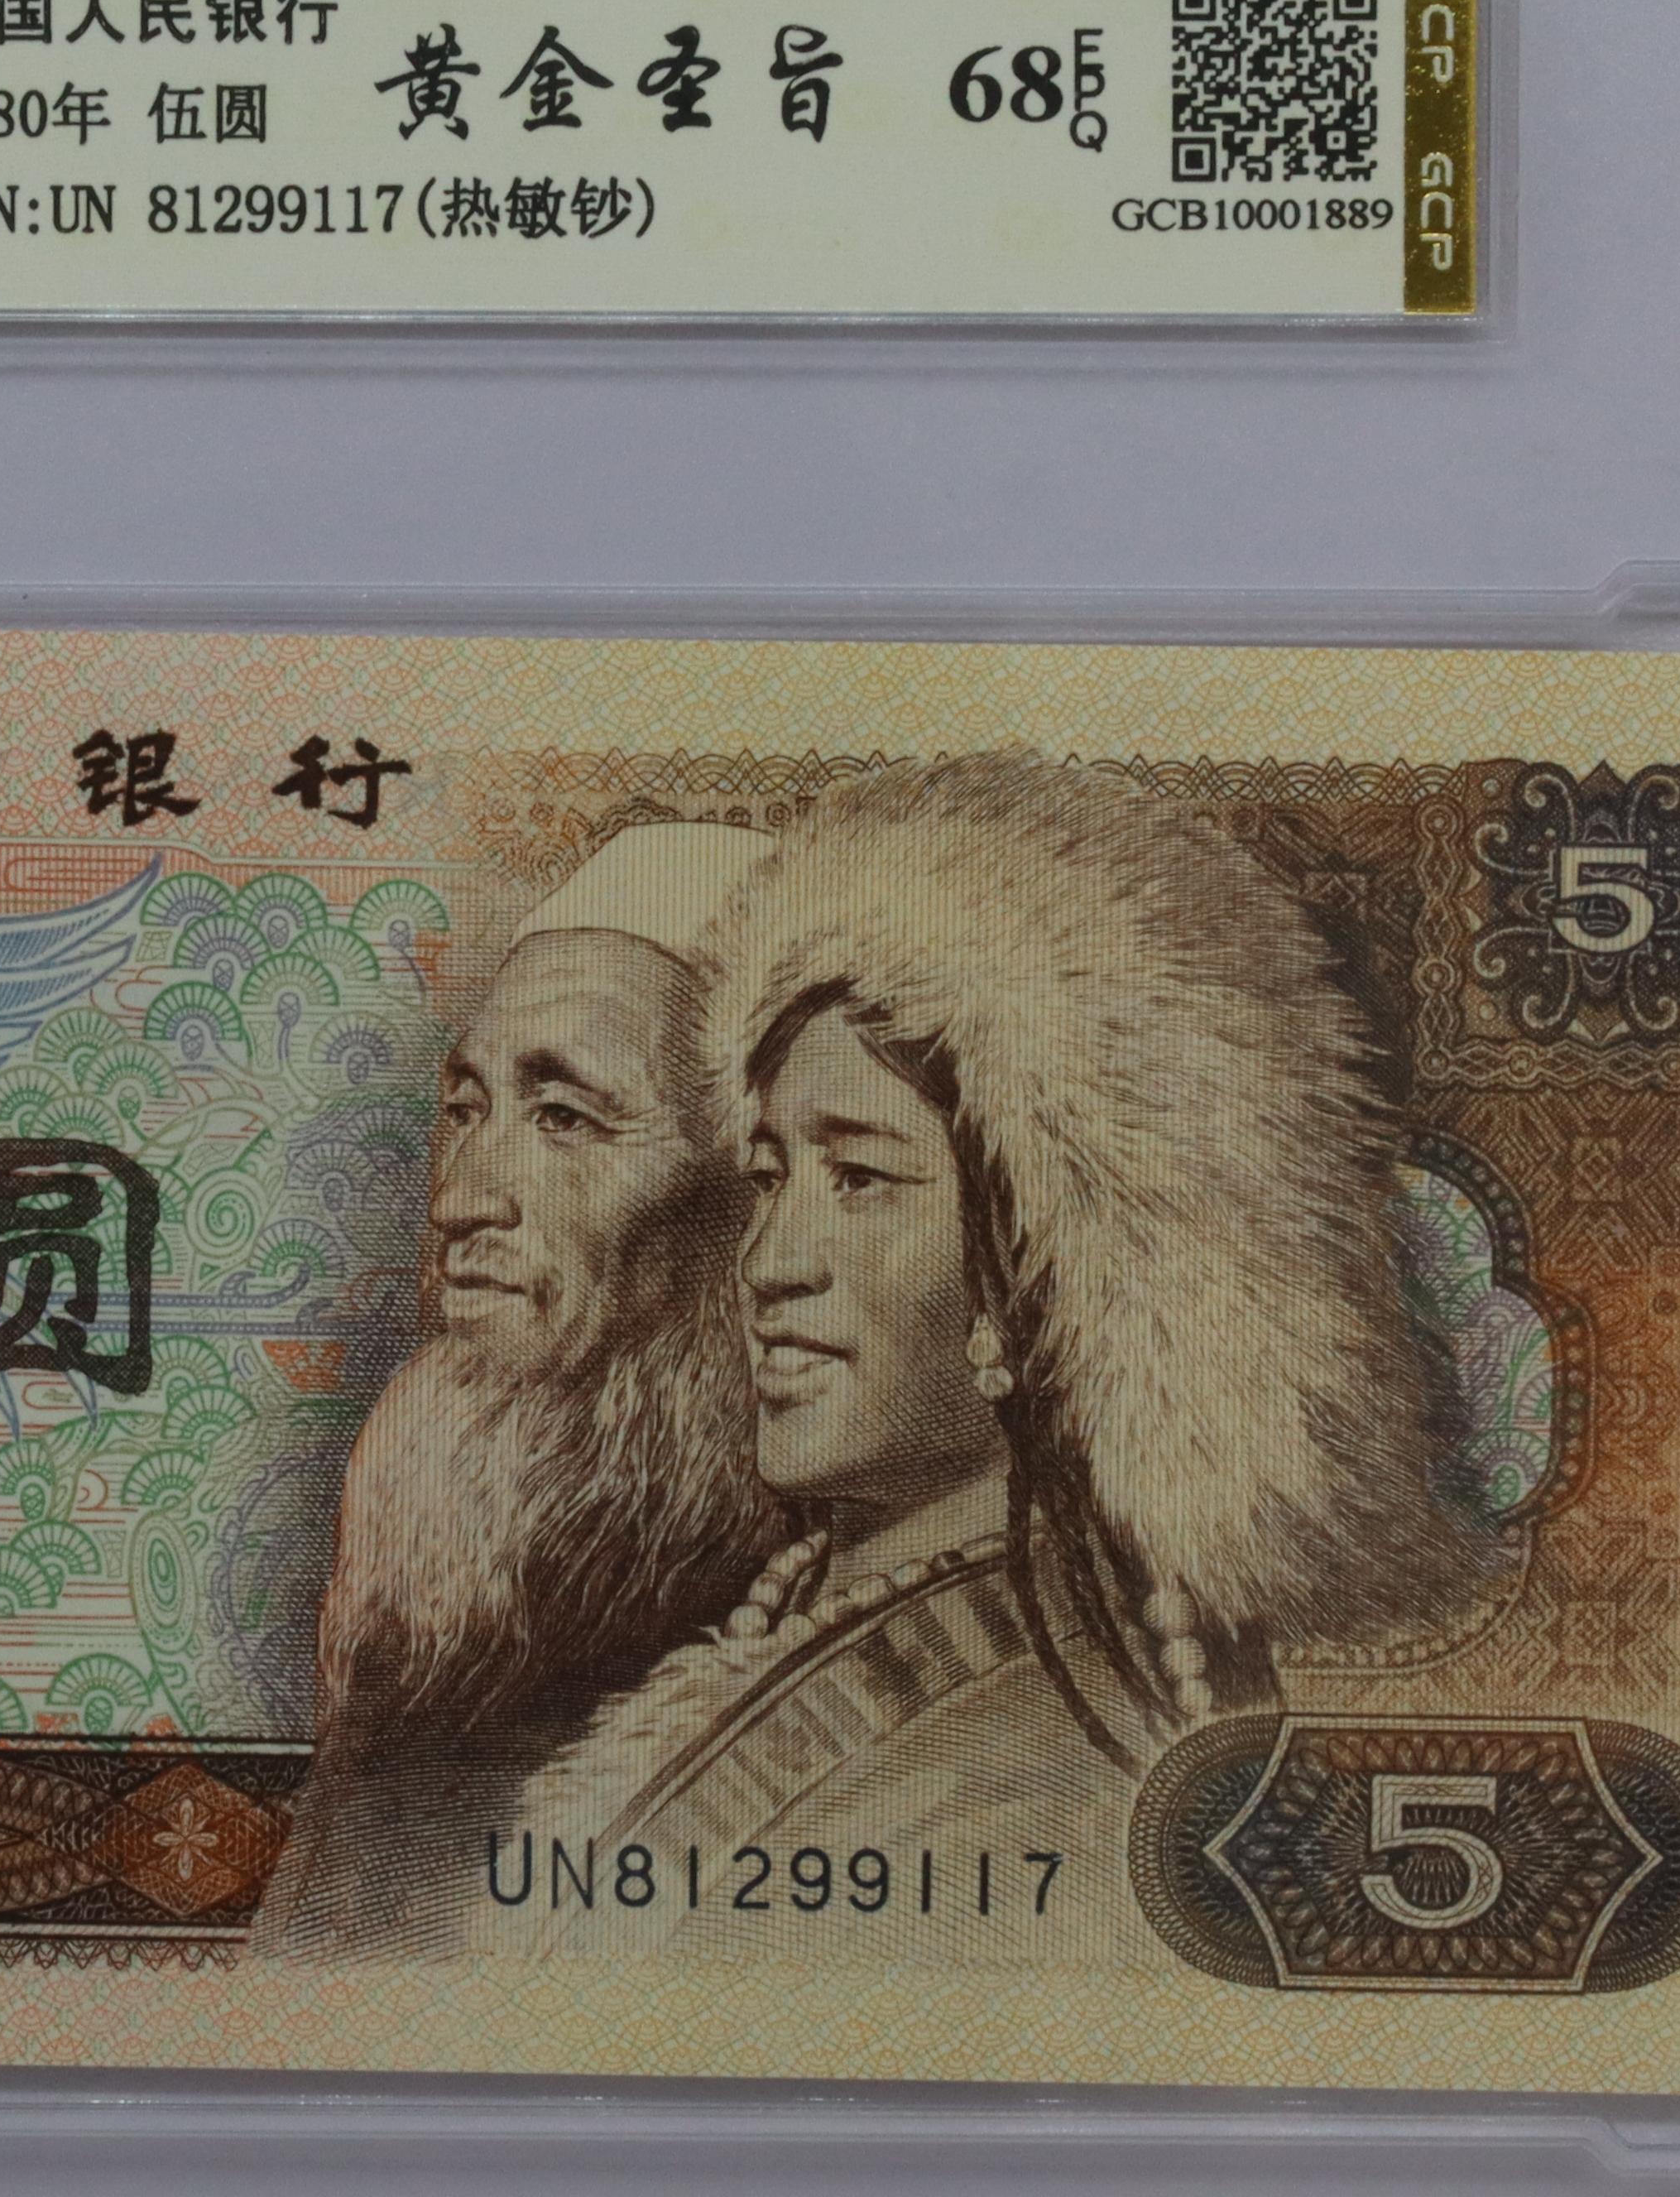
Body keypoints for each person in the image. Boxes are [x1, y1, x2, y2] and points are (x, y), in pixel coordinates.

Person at [505, 754, 1487, 1960]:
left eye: (860, 1178)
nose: (769, 1261)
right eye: (768, 1176)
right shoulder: (820, 1616)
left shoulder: (1047, 1770)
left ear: (1039, 1271)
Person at [254, 817, 782, 1957]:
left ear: (752, 1199)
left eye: (564, 1117)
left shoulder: (795, 1646)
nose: (461, 1201)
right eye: (465, 1110)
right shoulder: (435, 1634)